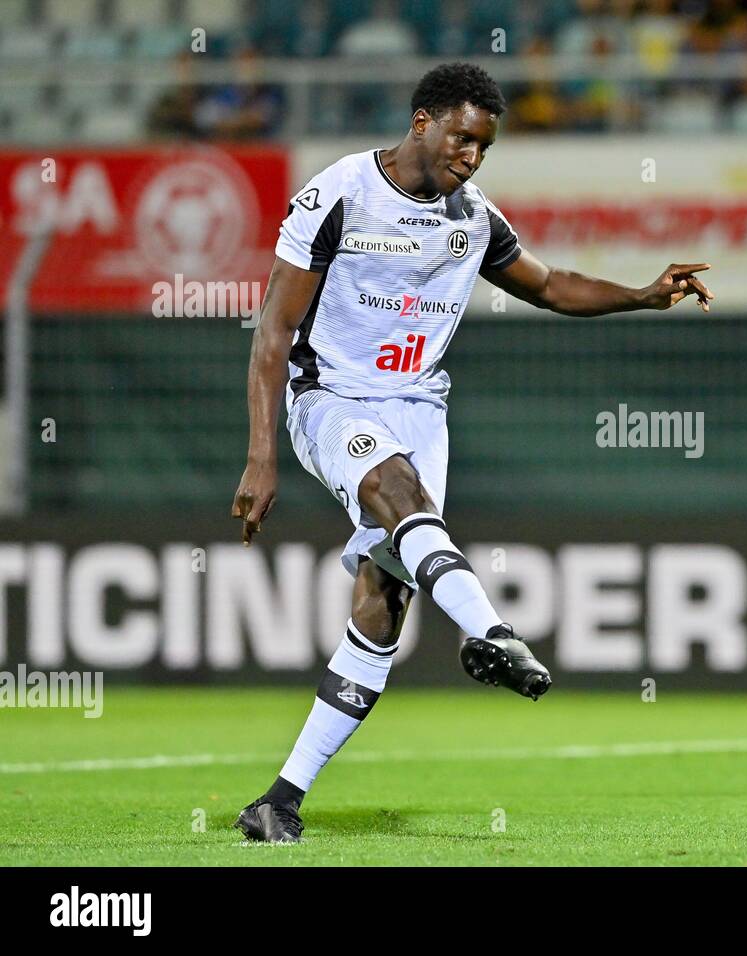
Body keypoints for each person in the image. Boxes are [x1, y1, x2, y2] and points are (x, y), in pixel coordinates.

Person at [230, 63, 714, 842]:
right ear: (421, 121)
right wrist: (262, 455)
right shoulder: (339, 194)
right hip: (332, 400)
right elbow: (273, 331)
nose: (471, 157)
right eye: (462, 138)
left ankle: (279, 800)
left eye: (484, 147)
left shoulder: (472, 217)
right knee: (396, 492)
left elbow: (552, 286)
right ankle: (491, 632)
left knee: (381, 607)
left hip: (421, 411)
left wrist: (643, 293)